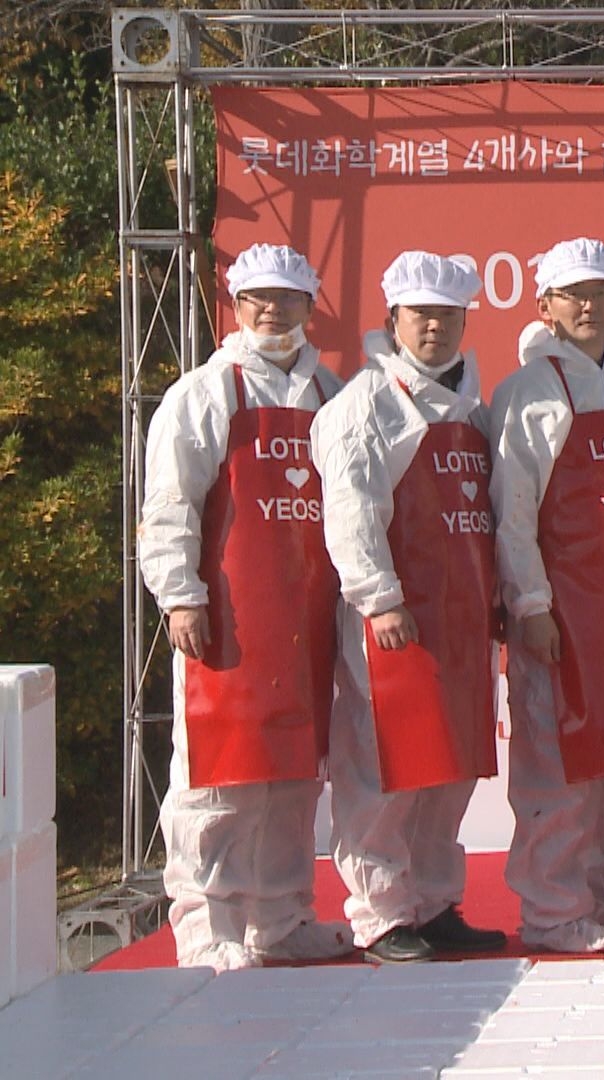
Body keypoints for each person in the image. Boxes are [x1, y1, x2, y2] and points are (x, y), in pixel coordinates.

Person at [139, 243, 353, 972]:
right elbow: (170, 503)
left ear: (308, 306)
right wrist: (179, 594)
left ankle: (282, 917)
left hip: (307, 615)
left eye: (287, 299)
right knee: (219, 773)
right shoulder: (204, 392)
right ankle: (207, 926)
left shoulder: (330, 394)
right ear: (235, 303)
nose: (272, 310)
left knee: (295, 771)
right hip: (229, 615)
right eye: (258, 298)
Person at [313, 250, 508, 963]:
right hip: (394, 619)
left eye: (448, 316)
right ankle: (379, 914)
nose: (435, 327)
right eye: (421, 315)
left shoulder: (473, 410)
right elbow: (352, 513)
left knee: (446, 767)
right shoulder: (365, 406)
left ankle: (430, 900)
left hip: (459, 617)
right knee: (383, 767)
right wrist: (378, 598)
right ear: (393, 320)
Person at [490, 237, 604, 953]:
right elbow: (511, 512)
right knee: (558, 769)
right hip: (564, 613)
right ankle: (555, 910)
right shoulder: (525, 394)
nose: (589, 306)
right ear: (545, 307)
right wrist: (530, 604)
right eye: (573, 295)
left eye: (600, 292)